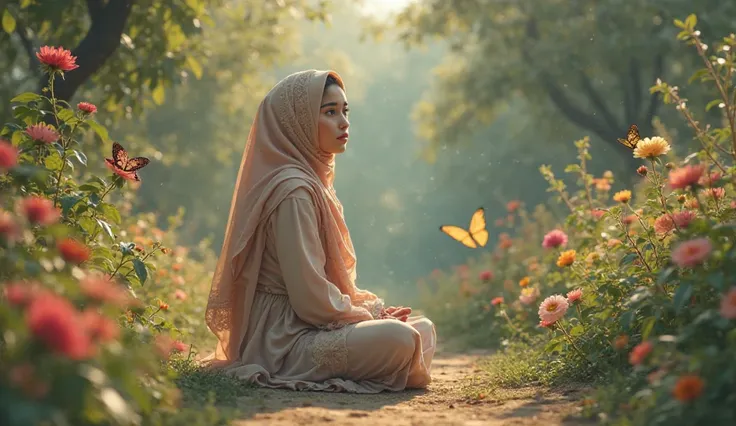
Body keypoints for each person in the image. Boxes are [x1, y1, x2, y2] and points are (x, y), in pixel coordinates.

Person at [202, 69, 436, 393]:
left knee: (422, 329)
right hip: (285, 340)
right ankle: (397, 367)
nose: (343, 122)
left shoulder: (313, 183)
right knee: (402, 338)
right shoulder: (292, 192)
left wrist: (373, 311)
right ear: (296, 122)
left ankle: (397, 367)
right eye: (329, 112)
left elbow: (326, 291)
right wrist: (368, 318)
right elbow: (310, 299)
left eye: (345, 111)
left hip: (311, 327)